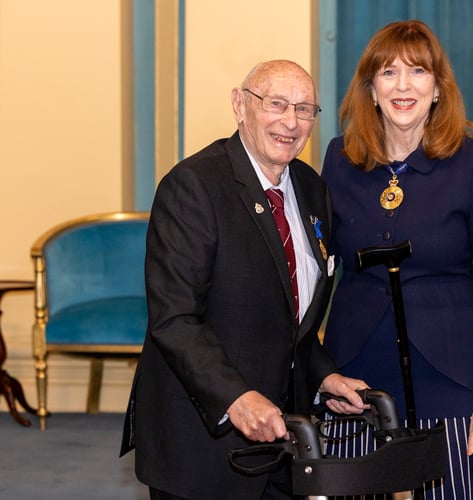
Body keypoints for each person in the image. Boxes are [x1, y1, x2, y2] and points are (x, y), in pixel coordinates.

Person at [120, 59, 368, 500]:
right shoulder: (194, 186)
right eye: (276, 104)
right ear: (240, 105)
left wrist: (326, 376)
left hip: (286, 440)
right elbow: (174, 320)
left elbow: (293, 321)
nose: (290, 122)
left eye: (305, 109)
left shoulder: (313, 190)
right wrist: (238, 398)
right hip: (204, 442)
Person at [320, 20, 473, 498]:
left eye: (417, 72)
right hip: (355, 376)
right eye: (388, 73)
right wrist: (318, 373)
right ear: (370, 89)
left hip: (451, 378)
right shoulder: (339, 160)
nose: (403, 86)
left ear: (437, 89)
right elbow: (316, 276)